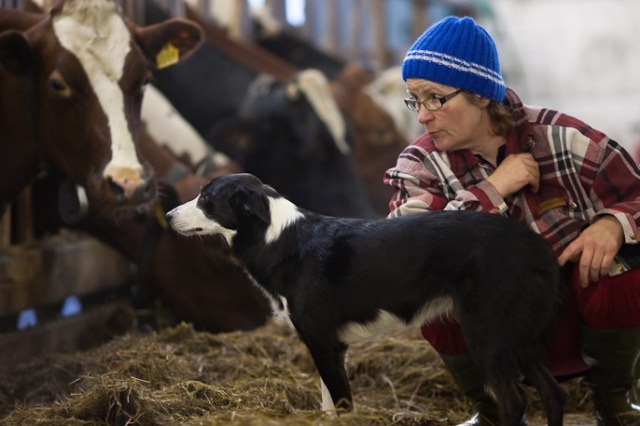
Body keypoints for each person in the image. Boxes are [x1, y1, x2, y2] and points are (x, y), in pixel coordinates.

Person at [384, 15, 640, 426]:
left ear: (482, 96)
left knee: (622, 266)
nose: (422, 117)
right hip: (490, 335)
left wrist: (613, 223)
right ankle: (494, 411)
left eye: (435, 98)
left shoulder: (561, 138)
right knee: (433, 300)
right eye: (415, 99)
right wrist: (492, 190)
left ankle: (614, 402)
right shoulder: (418, 166)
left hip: (573, 321)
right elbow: (404, 251)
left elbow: (636, 194)